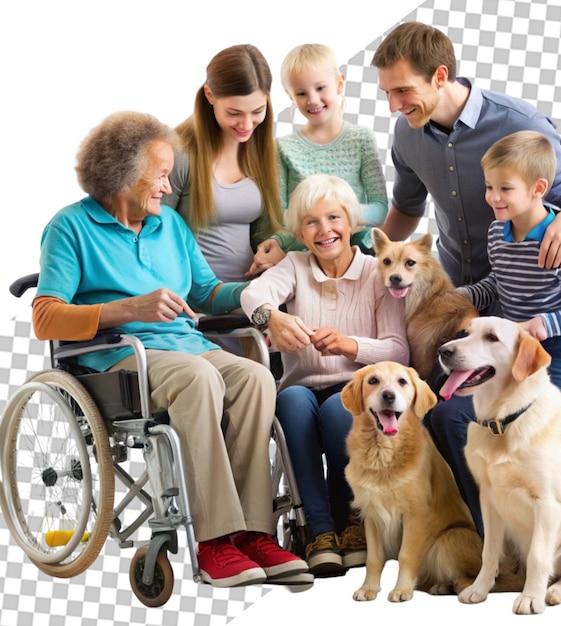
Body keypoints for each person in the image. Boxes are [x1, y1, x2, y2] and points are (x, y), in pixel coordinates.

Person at [32, 111, 307, 588]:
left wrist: (261, 301)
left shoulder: (171, 226)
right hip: (117, 360)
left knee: (254, 376)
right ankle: (215, 542)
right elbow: (45, 317)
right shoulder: (70, 229)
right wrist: (128, 308)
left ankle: (253, 533)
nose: (167, 186)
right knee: (198, 377)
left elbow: (205, 292)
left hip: (188, 347)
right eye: (159, 175)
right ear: (123, 174)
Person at [371, 21, 561, 536]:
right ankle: (473, 541)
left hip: (536, 316)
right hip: (462, 312)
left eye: (403, 91)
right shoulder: (407, 135)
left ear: (441, 75)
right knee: (438, 418)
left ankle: (525, 548)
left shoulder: (516, 123)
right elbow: (405, 212)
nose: (393, 105)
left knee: (513, 439)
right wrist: (362, 263)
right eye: (387, 93)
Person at [240, 174, 408, 577]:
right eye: (311, 222)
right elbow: (251, 295)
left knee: (339, 409)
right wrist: (273, 317)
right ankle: (317, 530)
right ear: (299, 232)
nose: (324, 230)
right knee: (292, 402)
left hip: (355, 391)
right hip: (302, 386)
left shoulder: (376, 273)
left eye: (333, 217)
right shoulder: (295, 266)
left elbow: (398, 350)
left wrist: (351, 346)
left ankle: (352, 522)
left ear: (352, 222)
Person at [458, 130, 561, 406]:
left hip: (558, 349)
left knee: (545, 427)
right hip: (512, 348)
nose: (493, 197)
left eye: (505, 188)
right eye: (489, 186)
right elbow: (499, 281)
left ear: (537, 189)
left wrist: (543, 325)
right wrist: (464, 295)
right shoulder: (496, 232)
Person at [248, 43, 388, 276]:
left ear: (339, 84)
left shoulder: (361, 139)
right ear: (291, 97)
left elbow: (379, 209)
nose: (312, 100)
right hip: (303, 245)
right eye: (301, 93)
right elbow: (280, 213)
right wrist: (280, 241)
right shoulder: (282, 147)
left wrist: (336, 218)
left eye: (320, 88)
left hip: (353, 245)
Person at [162, 44, 282, 283]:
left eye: (258, 111)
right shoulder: (178, 153)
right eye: (234, 113)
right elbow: (153, 232)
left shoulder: (263, 153)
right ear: (210, 96)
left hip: (249, 296)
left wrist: (274, 246)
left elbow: (264, 230)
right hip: (191, 303)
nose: (247, 124)